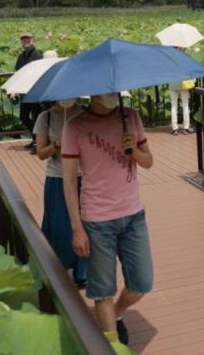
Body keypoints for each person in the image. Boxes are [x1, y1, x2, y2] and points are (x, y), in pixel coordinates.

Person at [62, 93, 154, 346]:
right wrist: (76, 228)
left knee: (142, 283)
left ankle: (117, 314)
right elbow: (69, 180)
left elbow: (149, 162)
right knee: (102, 291)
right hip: (97, 219)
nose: (110, 95)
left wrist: (133, 149)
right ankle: (111, 344)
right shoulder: (75, 126)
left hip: (134, 214)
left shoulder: (131, 117)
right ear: (91, 93)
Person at [33, 98, 87, 288]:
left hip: (84, 177)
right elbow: (41, 153)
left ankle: (83, 271)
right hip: (57, 178)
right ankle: (59, 267)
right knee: (59, 226)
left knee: (86, 224)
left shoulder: (85, 114)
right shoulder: (45, 118)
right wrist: (56, 144)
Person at [14, 32, 43, 154]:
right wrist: (14, 89)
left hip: (35, 91)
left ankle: (38, 142)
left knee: (36, 117)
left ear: (33, 40)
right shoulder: (21, 57)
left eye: (28, 39)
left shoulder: (38, 55)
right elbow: (17, 73)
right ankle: (35, 138)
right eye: (24, 40)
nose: (26, 42)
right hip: (24, 91)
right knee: (24, 117)